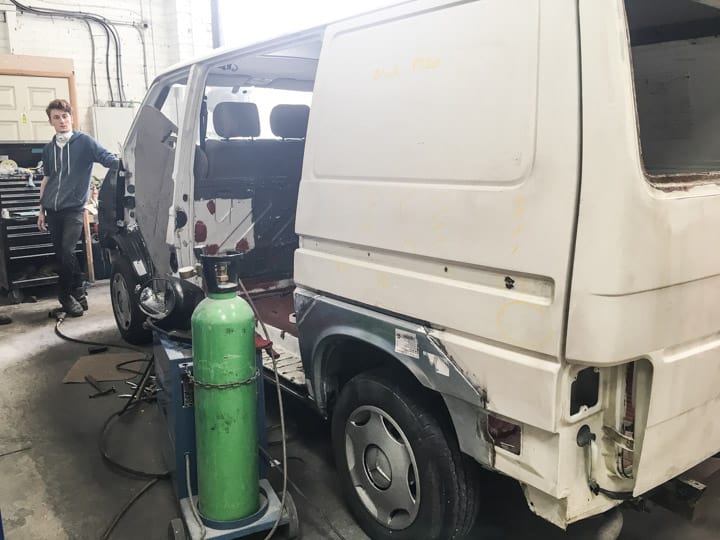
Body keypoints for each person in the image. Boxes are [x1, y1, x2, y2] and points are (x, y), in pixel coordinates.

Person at [37, 99, 118, 317]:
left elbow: (109, 160)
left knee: (67, 251)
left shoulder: (85, 142)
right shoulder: (48, 149)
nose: (62, 121)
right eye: (56, 117)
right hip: (52, 210)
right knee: (63, 254)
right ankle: (79, 292)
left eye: (65, 116)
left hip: (73, 209)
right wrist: (41, 210)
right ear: (51, 121)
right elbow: (46, 179)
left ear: (71, 118)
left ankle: (64, 295)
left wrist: (128, 162)